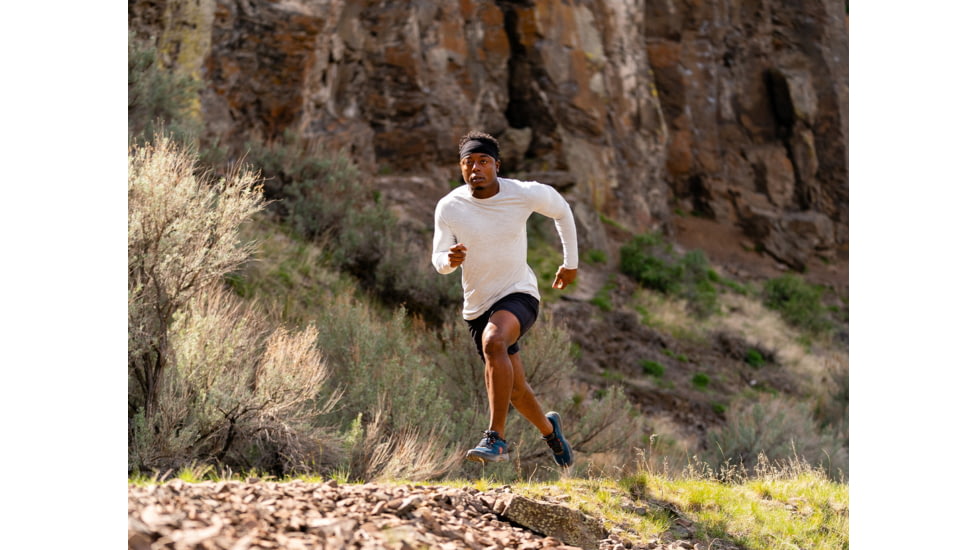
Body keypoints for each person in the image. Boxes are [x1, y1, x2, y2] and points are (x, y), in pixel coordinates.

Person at [431, 130, 578, 467]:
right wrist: (448, 261)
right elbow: (438, 257)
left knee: (495, 342)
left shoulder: (523, 194)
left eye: (483, 161)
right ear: (461, 168)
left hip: (518, 293)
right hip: (476, 305)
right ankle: (550, 430)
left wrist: (570, 264)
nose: (475, 168)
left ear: (497, 165)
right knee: (514, 387)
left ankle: (495, 438)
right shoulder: (450, 206)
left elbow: (562, 211)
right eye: (468, 163)